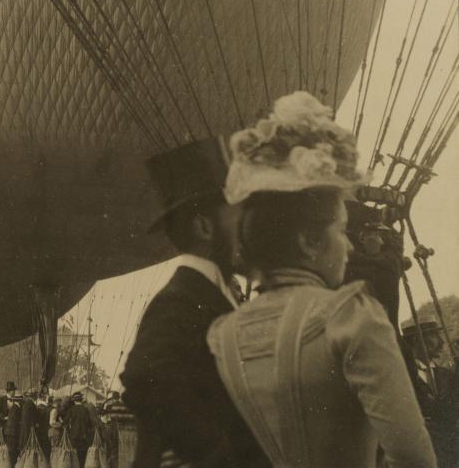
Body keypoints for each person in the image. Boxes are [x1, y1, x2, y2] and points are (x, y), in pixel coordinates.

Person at [207, 91, 436, 468]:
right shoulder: (352, 317)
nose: (346, 246)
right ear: (308, 241)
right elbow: (414, 458)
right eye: (340, 230)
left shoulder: (224, 335)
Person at [120, 137, 269, 467]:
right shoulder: (181, 299)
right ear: (205, 227)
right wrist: (215, 455)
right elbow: (144, 377)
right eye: (239, 218)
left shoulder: (209, 293)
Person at [401, 315, 458, 468]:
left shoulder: (447, 375)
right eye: (433, 335)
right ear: (415, 340)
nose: (441, 341)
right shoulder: (403, 379)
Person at [64, 392, 93, 465]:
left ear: (74, 401)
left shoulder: (71, 410)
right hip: (84, 435)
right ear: (81, 400)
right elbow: (89, 423)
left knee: (74, 454)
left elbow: (65, 421)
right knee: (82, 455)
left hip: (73, 435)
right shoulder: (85, 409)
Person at [6, 392, 22, 465]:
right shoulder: (17, 408)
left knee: (11, 451)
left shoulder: (12, 408)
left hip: (10, 432)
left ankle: (11, 464)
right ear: (19, 400)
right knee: (14, 451)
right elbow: (16, 421)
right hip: (14, 433)